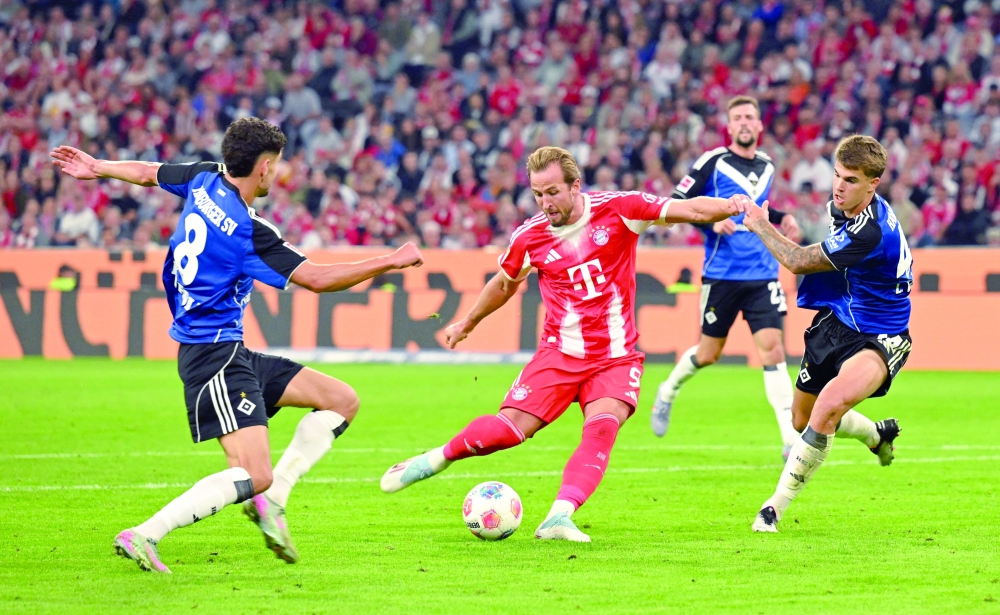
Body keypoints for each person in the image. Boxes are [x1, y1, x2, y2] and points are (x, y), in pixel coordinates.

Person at [50, 118, 424, 573]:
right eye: (277, 167)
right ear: (264, 168)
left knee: (341, 401)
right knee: (253, 473)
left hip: (231, 351)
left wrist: (99, 167)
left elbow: (150, 172)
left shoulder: (204, 177)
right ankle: (145, 534)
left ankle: (273, 504)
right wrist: (391, 260)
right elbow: (317, 279)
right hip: (213, 358)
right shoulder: (249, 231)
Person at [379, 146, 748, 542]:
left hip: (615, 356)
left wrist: (729, 204)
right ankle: (434, 459)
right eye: (538, 194)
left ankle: (558, 517)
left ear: (575, 185)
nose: (545, 203)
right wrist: (467, 322)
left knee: (602, 426)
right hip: (559, 355)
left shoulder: (619, 208)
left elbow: (689, 210)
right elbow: (504, 284)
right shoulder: (529, 236)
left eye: (552, 192)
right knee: (506, 432)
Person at [738, 135, 911, 533]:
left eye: (850, 180)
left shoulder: (871, 231)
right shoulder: (844, 207)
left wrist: (760, 225)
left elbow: (798, 261)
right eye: (836, 175)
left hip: (882, 335)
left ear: (873, 184)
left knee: (829, 405)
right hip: (836, 323)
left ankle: (772, 509)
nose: (838, 186)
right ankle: (876, 434)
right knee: (803, 420)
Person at [650, 96, 801, 461]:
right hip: (721, 275)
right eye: (738, 118)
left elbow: (756, 204)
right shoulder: (711, 161)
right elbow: (675, 203)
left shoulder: (766, 164)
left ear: (760, 126)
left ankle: (789, 441)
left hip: (763, 274)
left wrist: (782, 217)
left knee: (773, 349)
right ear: (729, 127)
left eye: (751, 116)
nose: (745, 122)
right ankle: (667, 391)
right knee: (708, 353)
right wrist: (711, 219)